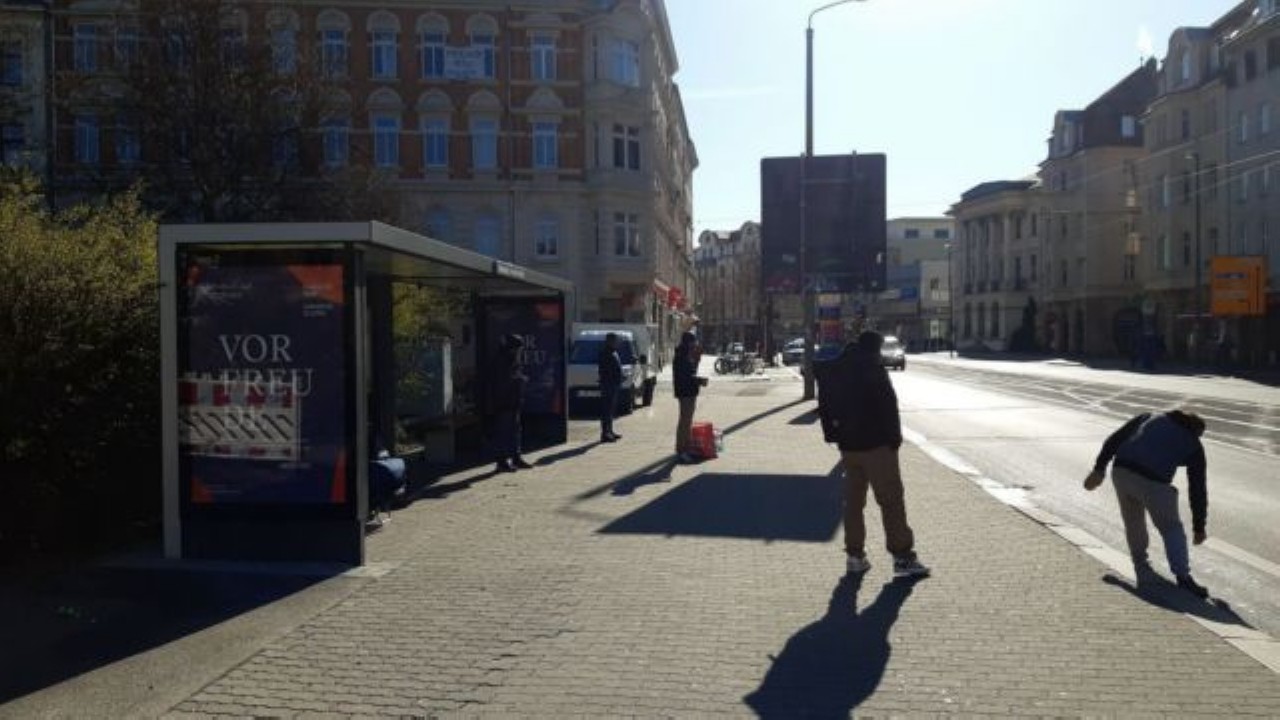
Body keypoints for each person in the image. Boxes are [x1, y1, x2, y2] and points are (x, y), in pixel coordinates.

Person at [816, 331, 930, 579]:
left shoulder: (835, 367)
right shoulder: (873, 368)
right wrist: (894, 440)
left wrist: (833, 436)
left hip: (848, 448)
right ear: (875, 348)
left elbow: (824, 404)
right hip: (877, 446)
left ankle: (855, 557)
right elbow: (889, 407)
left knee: (853, 504)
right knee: (891, 501)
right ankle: (902, 557)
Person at [1084, 409, 1210, 598]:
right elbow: (1197, 488)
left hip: (1121, 470)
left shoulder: (1149, 416)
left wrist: (1099, 469)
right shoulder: (1194, 444)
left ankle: (1140, 562)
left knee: (1133, 520)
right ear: (1196, 431)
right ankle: (1183, 577)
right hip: (1153, 481)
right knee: (1171, 528)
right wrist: (1199, 527)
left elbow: (1114, 439)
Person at [488, 334, 531, 473]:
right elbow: (503, 383)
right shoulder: (502, 361)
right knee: (504, 432)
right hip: (504, 402)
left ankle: (515, 458)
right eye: (518, 348)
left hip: (513, 401)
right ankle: (501, 462)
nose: (519, 351)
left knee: (515, 431)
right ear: (511, 348)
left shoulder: (512, 359)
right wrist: (520, 379)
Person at [673, 331, 705, 463]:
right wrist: (699, 380)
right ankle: (681, 450)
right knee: (685, 422)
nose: (695, 344)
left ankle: (685, 448)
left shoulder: (686, 354)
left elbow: (692, 371)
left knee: (687, 421)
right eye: (693, 342)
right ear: (688, 342)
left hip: (689, 391)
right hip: (685, 392)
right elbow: (686, 376)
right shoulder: (682, 355)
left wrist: (697, 360)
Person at [597, 332, 623, 443]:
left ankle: (610, 431)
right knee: (606, 410)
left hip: (613, 384)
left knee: (611, 410)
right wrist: (613, 377)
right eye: (615, 341)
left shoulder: (614, 352)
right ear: (609, 341)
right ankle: (605, 434)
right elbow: (604, 370)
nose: (617, 343)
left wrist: (620, 376)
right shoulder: (605, 353)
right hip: (608, 384)